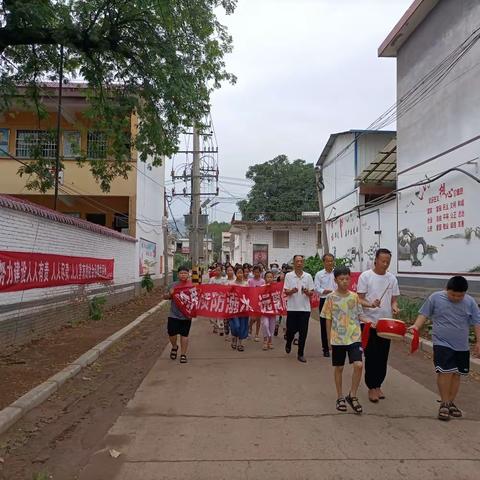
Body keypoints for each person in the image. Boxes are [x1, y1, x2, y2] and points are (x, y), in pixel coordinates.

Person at [409, 276, 480, 421]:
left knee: (456, 373)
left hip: (461, 345)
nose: (456, 298)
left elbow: (477, 322)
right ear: (447, 289)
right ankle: (444, 403)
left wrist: (479, 341)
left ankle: (451, 402)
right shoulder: (435, 298)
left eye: (460, 295)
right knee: (445, 372)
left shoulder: (470, 302)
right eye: (453, 294)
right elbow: (424, 314)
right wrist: (416, 326)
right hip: (442, 343)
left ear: (465, 293)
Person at [321, 266, 368, 414]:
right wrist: (329, 339)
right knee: (339, 368)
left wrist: (371, 322)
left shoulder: (354, 297)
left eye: (347, 278)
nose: (345, 282)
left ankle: (352, 395)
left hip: (354, 336)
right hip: (338, 338)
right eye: (341, 279)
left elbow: (360, 315)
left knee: (359, 365)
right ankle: (340, 396)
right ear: (335, 280)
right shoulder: (331, 298)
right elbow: (327, 319)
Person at [357, 248, 400, 402]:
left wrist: (394, 307)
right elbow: (359, 299)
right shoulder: (366, 276)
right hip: (369, 323)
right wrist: (370, 304)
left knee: (383, 356)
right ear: (376, 259)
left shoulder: (392, 279)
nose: (385, 264)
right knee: (371, 356)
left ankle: (378, 385)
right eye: (383, 260)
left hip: (386, 325)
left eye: (388, 261)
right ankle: (371, 387)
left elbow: (394, 300)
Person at [283, 254, 314, 363]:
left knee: (303, 332)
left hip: (305, 309)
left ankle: (300, 353)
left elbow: (311, 293)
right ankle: (288, 342)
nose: (299, 263)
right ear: (294, 263)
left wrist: (307, 292)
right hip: (292, 308)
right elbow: (285, 291)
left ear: (303, 263)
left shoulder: (308, 276)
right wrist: (292, 291)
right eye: (297, 261)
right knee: (290, 330)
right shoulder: (289, 276)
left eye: (301, 261)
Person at [164, 265, 193, 364]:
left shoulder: (192, 286)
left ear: (188, 274)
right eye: (181, 273)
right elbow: (164, 297)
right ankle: (174, 346)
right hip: (173, 314)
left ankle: (183, 354)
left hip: (186, 315)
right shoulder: (172, 285)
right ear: (178, 274)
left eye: (185, 273)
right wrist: (170, 294)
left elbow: (196, 299)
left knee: (184, 335)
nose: (183, 275)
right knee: (171, 333)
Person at [314, 253, 337, 357]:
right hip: (324, 300)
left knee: (336, 324)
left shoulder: (336, 273)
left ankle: (336, 346)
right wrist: (324, 291)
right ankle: (326, 348)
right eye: (327, 261)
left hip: (337, 301)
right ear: (323, 262)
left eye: (331, 261)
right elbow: (316, 289)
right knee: (324, 325)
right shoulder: (319, 274)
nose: (330, 263)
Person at [229, 266, 249, 351]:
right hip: (234, 308)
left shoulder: (246, 283)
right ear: (235, 273)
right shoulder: (231, 284)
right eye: (238, 272)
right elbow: (228, 296)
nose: (240, 274)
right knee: (236, 326)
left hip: (243, 308)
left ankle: (240, 343)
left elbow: (249, 295)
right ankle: (234, 337)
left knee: (242, 326)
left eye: (241, 272)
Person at [260, 271, 277, 350]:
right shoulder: (262, 287)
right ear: (265, 278)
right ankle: (265, 340)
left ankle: (270, 341)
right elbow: (258, 297)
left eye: (271, 277)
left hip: (273, 310)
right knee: (265, 324)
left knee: (272, 326)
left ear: (273, 278)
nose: (269, 278)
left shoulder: (275, 287)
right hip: (264, 310)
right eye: (268, 277)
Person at [248, 265, 265, 341]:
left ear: (260, 273)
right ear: (253, 272)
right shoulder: (250, 281)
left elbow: (264, 291)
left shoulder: (262, 281)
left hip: (260, 302)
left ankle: (257, 334)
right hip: (252, 301)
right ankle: (250, 328)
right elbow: (248, 290)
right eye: (255, 272)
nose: (256, 273)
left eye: (258, 272)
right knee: (252, 318)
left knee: (258, 319)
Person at [209, 265, 226, 336]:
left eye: (219, 270)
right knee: (212, 316)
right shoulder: (212, 279)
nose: (217, 272)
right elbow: (209, 288)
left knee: (220, 315)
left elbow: (226, 289)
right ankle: (215, 326)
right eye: (216, 270)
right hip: (213, 299)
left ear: (222, 271)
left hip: (221, 299)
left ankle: (221, 328)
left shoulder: (224, 279)